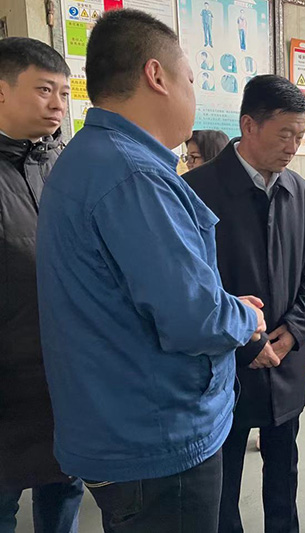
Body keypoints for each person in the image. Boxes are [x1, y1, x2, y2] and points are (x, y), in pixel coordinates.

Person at [35, 10, 266, 533]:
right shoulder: (135, 176)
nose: (193, 92)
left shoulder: (88, 157)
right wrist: (245, 318)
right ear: (156, 75)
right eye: (191, 79)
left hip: (116, 423)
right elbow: (193, 318)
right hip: (159, 440)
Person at [185, 75, 305, 533]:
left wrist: (295, 330)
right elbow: (190, 289)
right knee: (221, 481)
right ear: (248, 125)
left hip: (286, 360)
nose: (293, 147)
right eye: (284, 134)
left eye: (299, 137)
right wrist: (248, 343)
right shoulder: (196, 190)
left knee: (284, 472)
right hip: (225, 365)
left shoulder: (298, 190)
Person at [0, 36, 84, 533]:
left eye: (64, 93)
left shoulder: (67, 165)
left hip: (65, 378)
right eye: (44, 90)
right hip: (8, 382)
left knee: (64, 491)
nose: (58, 104)